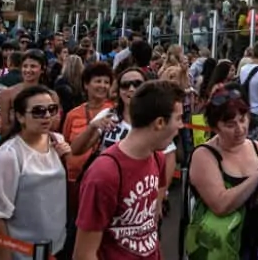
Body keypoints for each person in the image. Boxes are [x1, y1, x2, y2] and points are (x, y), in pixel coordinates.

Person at [73, 80, 185, 260]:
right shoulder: (104, 174)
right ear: (159, 122)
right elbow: (84, 254)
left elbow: (149, 230)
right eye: (178, 118)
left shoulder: (158, 158)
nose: (181, 126)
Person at [187, 86, 258, 259]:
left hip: (257, 242)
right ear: (215, 127)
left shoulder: (256, 147)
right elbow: (221, 205)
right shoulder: (204, 155)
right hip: (220, 248)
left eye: (243, 119)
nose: (240, 129)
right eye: (230, 125)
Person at [0, 85, 71, 260]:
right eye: (38, 111)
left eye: (51, 110)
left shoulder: (56, 141)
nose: (46, 116)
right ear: (20, 116)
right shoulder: (8, 155)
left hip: (55, 247)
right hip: (20, 252)